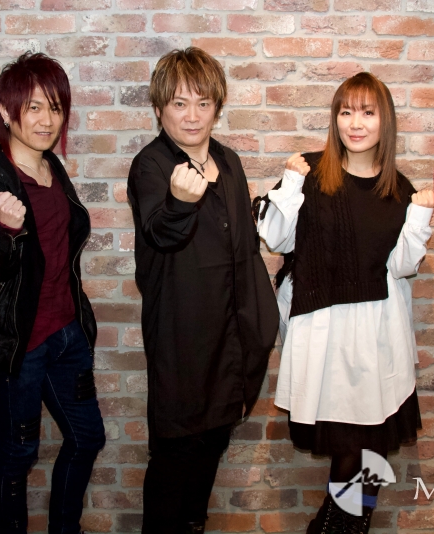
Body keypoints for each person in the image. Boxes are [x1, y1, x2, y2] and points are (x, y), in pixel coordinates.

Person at [256, 72, 434, 534]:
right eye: (346, 111)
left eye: (368, 112)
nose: (355, 123)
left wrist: (419, 216)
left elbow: (402, 267)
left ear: (384, 121)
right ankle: (339, 526)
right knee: (352, 443)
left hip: (378, 331)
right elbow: (276, 237)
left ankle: (338, 526)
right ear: (335, 118)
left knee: (370, 442)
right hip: (325, 332)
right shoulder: (311, 172)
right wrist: (290, 184)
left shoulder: (399, 189)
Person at [127, 47, 278, 534]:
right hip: (181, 339)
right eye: (179, 103)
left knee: (213, 443)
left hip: (229, 339)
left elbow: (245, 252)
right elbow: (159, 233)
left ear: (217, 107)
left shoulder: (229, 162)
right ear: (159, 109)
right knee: (175, 453)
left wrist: (261, 322)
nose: (192, 116)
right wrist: (178, 202)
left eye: (203, 103)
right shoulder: (151, 166)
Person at [0, 52, 105, 534]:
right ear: (7, 112)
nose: (47, 120)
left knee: (86, 438)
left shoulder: (52, 167)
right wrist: (5, 231)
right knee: (19, 451)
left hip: (67, 334)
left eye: (55, 108)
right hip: (20, 344)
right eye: (34, 108)